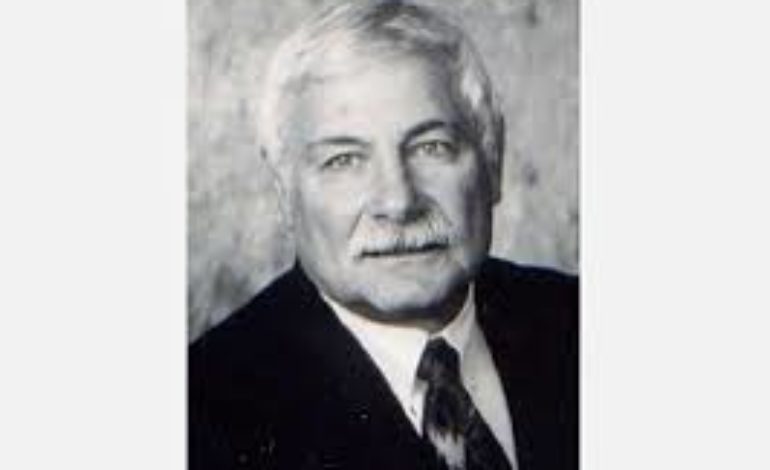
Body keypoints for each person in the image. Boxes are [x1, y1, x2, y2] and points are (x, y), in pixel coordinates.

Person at [189, 2, 577, 469]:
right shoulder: (202, 414)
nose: (398, 202)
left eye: (431, 147)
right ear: (285, 193)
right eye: (344, 160)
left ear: (493, 160)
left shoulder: (574, 321)